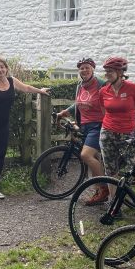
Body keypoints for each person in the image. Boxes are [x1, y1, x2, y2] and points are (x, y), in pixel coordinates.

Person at [0, 57, 50, 199]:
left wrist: (40, 91)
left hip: (3, 124)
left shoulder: (12, 81)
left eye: (2, 67)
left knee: (1, 152)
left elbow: (26, 88)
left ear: (6, 68)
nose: (0, 70)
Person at [87, 56, 135, 213]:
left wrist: (128, 117)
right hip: (107, 134)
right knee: (111, 171)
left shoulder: (132, 88)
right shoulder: (103, 91)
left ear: (120, 72)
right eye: (106, 71)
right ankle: (114, 207)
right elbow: (104, 112)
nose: (107, 74)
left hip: (128, 135)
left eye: (110, 71)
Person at [56, 58, 105, 191]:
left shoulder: (101, 84)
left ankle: (105, 187)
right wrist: (64, 112)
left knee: (86, 155)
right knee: (93, 158)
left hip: (98, 125)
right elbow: (78, 103)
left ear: (93, 69)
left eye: (87, 67)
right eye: (81, 68)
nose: (84, 70)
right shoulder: (80, 85)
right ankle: (98, 191)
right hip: (84, 125)